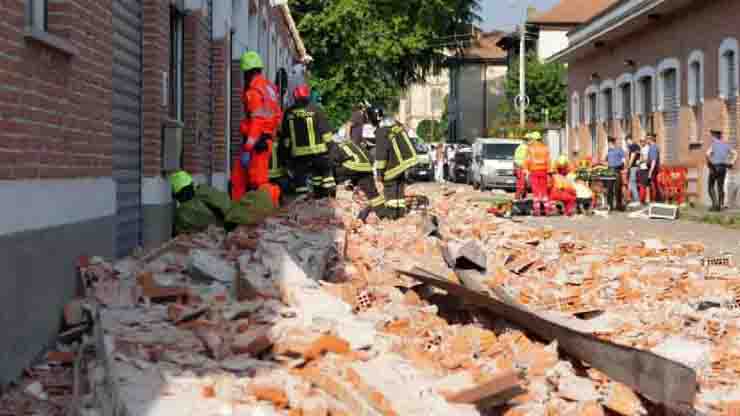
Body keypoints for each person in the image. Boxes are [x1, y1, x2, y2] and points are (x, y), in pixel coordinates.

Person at [230, 51, 283, 207]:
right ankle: (238, 213)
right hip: (263, 139)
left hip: (256, 142)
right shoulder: (270, 89)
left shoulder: (254, 91)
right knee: (238, 177)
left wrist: (249, 146)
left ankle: (272, 204)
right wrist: (270, 134)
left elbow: (257, 119)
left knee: (258, 182)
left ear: (246, 72)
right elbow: (277, 115)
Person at [169, 170, 276, 235]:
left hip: (225, 228)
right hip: (235, 219)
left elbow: (182, 234)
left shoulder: (182, 213)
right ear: (192, 184)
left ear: (177, 195)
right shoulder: (205, 190)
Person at [281, 84, 336, 199]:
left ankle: (303, 202)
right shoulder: (316, 110)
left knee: (300, 181)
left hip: (299, 155)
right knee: (324, 175)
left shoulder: (288, 113)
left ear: (295, 97)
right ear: (308, 96)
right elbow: (326, 132)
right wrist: (331, 148)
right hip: (319, 153)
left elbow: (286, 137)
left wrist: (285, 154)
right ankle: (327, 197)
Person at [370, 105, 418, 220]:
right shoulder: (394, 125)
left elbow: (381, 154)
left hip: (394, 164)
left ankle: (391, 214)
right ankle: (400, 213)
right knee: (399, 186)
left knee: (390, 187)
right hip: (404, 161)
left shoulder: (382, 130)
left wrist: (379, 172)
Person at [330, 139, 385, 221]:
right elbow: (370, 158)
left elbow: (334, 161)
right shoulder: (353, 144)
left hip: (351, 167)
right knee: (373, 194)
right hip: (366, 167)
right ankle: (382, 215)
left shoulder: (334, 147)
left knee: (330, 174)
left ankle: (331, 195)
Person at [706, 130, 738, 211]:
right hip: (723, 167)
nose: (711, 138)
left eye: (712, 136)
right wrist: (731, 163)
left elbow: (707, 154)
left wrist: (710, 163)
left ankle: (715, 204)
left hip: (715, 167)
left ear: (715, 136)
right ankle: (720, 206)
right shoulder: (725, 145)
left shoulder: (713, 145)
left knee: (710, 186)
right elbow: (735, 153)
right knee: (720, 187)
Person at [524, 131, 550, 216]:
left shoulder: (530, 148)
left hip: (534, 171)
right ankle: (547, 209)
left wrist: (526, 170)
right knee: (543, 191)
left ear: (534, 139)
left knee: (536, 191)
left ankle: (537, 210)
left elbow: (527, 160)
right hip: (543, 171)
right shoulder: (545, 148)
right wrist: (549, 171)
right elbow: (548, 160)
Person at [604, 137, 625, 211]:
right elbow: (605, 160)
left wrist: (622, 167)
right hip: (609, 171)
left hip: (617, 170)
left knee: (617, 188)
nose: (608, 145)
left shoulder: (619, 150)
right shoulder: (608, 151)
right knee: (609, 189)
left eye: (609, 143)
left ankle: (619, 205)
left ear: (612, 143)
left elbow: (623, 160)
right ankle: (610, 205)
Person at [626, 135, 641, 208]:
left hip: (633, 167)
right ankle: (631, 199)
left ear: (629, 140)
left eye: (627, 142)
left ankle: (637, 200)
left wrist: (629, 166)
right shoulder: (637, 146)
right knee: (630, 183)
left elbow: (633, 156)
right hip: (637, 167)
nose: (627, 143)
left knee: (632, 183)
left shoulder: (632, 146)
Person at [647, 134, 662, 202]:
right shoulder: (655, 147)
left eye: (648, 139)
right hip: (655, 169)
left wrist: (650, 172)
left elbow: (653, 160)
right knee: (655, 184)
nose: (647, 140)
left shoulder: (653, 147)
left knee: (654, 185)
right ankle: (658, 199)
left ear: (651, 140)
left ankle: (656, 199)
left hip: (653, 169)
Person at [514, 135, 530, 199]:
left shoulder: (519, 147)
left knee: (519, 184)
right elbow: (528, 158)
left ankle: (518, 197)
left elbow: (515, 158)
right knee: (523, 184)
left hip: (518, 166)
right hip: (523, 167)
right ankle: (522, 197)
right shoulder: (526, 148)